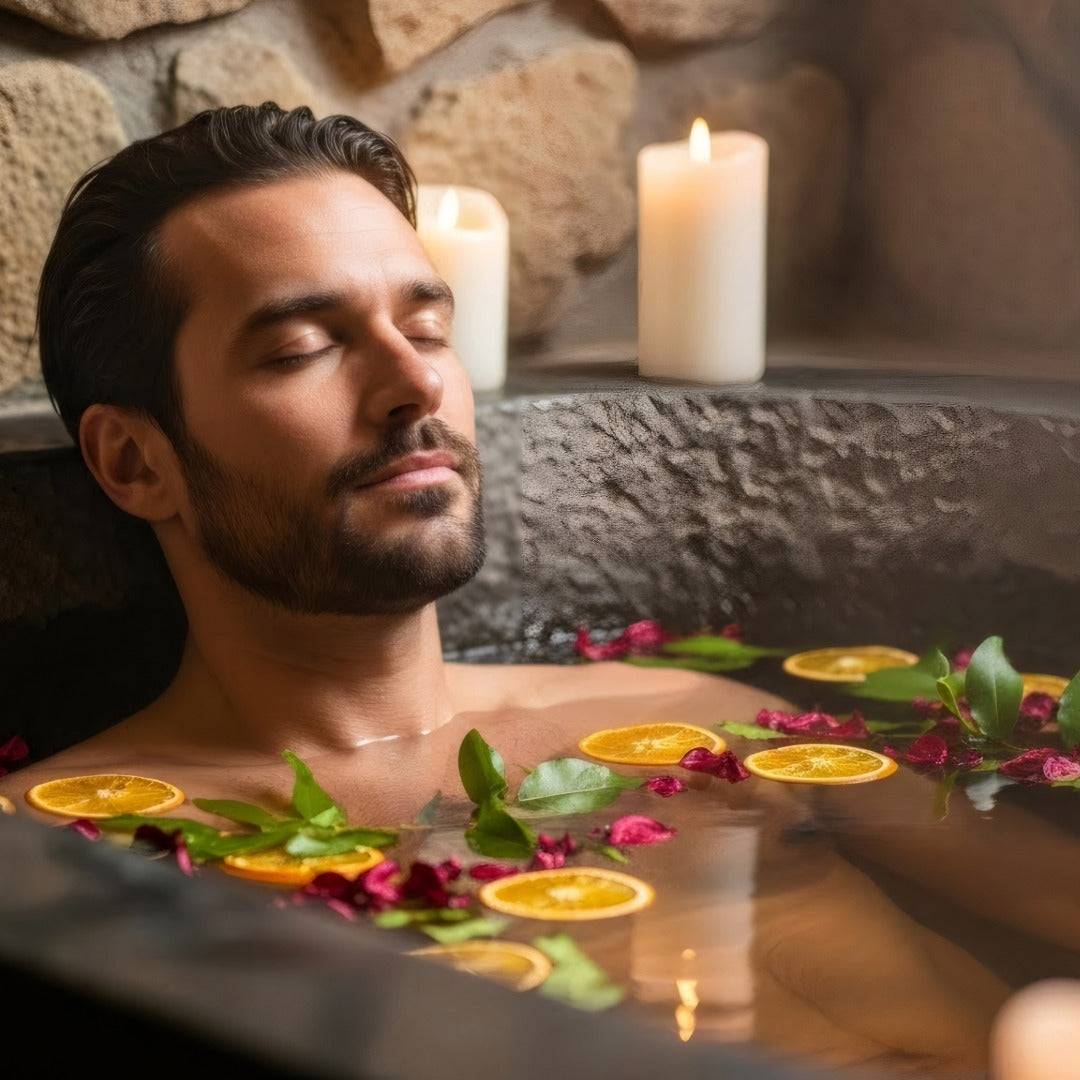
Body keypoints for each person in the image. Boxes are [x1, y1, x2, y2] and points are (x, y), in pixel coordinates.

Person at [0, 102, 1057, 1078]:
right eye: (304, 346)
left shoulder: (702, 722)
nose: (416, 386)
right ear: (137, 463)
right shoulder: (57, 853)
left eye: (426, 329)